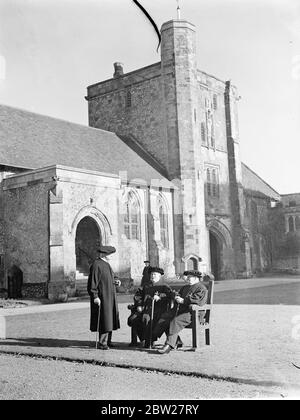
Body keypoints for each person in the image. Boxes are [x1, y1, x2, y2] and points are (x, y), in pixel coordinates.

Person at [153, 270, 208, 354]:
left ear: (196, 278)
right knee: (165, 318)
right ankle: (175, 341)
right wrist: (176, 297)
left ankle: (169, 345)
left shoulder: (201, 288)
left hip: (194, 313)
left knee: (175, 321)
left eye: (190, 277)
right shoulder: (185, 287)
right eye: (188, 277)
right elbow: (178, 294)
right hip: (182, 311)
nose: (188, 279)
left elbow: (199, 301)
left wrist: (183, 301)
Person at [127, 266, 172, 348]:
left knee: (146, 318)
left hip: (159, 310)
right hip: (145, 309)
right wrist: (139, 305)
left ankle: (149, 341)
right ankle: (143, 339)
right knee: (133, 319)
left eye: (155, 274)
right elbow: (138, 296)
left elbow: (169, 295)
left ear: (159, 276)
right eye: (151, 274)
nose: (152, 276)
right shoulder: (145, 286)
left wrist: (160, 296)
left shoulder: (164, 286)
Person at [87, 245, 121, 350]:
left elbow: (111, 276)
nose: (111, 257)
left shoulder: (106, 264)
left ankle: (108, 341)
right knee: (104, 319)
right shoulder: (96, 265)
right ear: (104, 255)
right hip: (103, 297)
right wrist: (95, 296)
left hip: (110, 296)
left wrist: (116, 281)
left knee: (109, 318)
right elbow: (92, 283)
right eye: (110, 255)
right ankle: (102, 343)